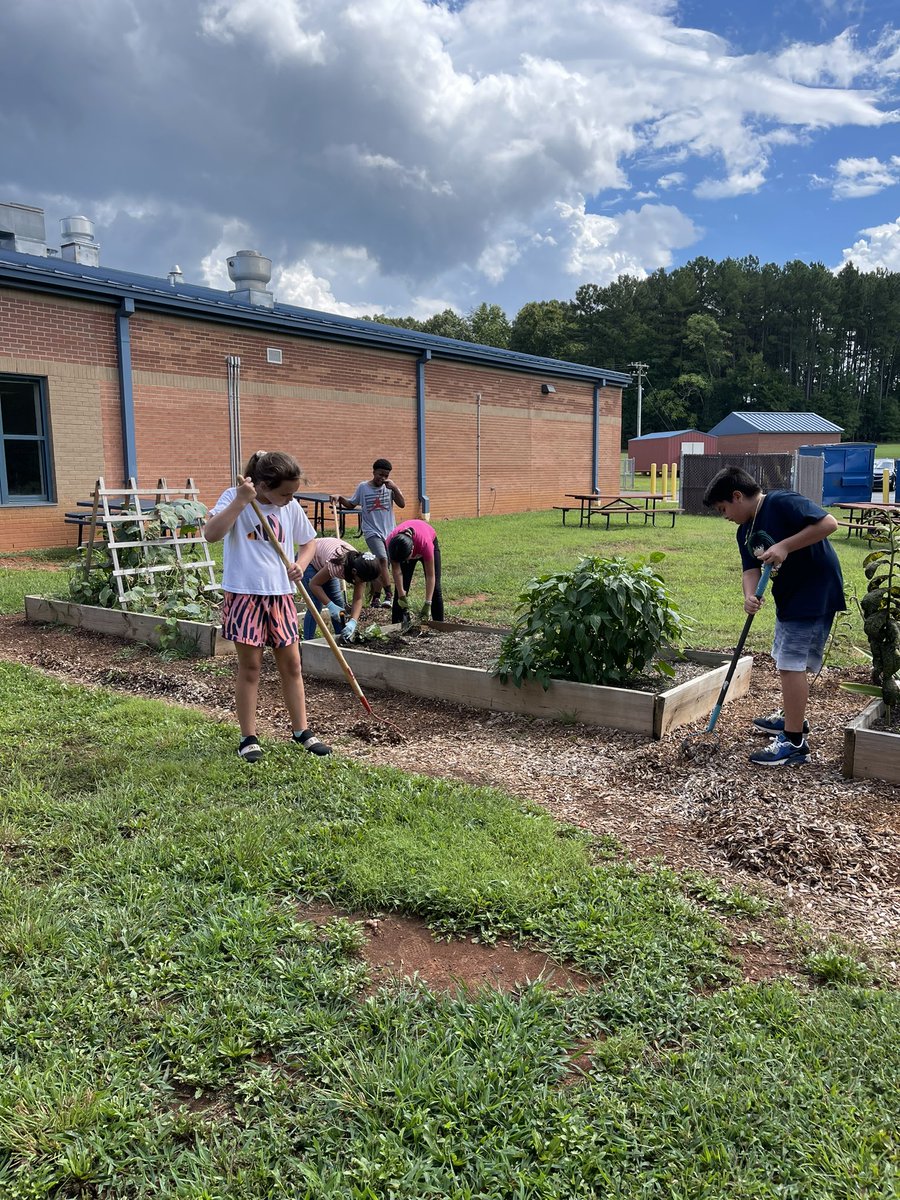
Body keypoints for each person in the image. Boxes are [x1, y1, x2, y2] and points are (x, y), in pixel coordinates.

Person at [703, 465, 846, 767]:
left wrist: (784, 546)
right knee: (784, 657)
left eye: (723, 508)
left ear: (737, 496)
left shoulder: (781, 502)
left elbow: (829, 523)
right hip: (790, 598)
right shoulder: (745, 531)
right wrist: (749, 595)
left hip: (814, 592)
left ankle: (794, 742)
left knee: (790, 664)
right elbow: (750, 569)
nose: (724, 515)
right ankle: (793, 719)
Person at [204, 450, 332, 762]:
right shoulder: (235, 497)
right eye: (285, 493)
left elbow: (309, 541)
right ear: (262, 485)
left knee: (292, 664)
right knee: (250, 667)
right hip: (244, 593)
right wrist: (240, 501)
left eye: (293, 493)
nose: (290, 499)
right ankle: (248, 738)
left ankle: (301, 731)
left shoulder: (288, 507)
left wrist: (301, 564)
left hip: (281, 594)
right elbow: (211, 534)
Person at [333, 459, 405, 608]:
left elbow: (402, 504)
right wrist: (339, 498)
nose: (383, 478)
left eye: (386, 475)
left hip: (389, 531)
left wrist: (395, 488)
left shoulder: (389, 488)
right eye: (380, 474)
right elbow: (351, 504)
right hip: (371, 531)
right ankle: (389, 594)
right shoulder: (363, 487)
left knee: (380, 566)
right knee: (382, 560)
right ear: (373, 472)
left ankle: (376, 598)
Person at [301, 538, 380, 643]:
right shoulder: (338, 566)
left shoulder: (362, 567)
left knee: (338, 602)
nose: (363, 583)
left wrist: (353, 621)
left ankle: (342, 638)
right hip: (309, 558)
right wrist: (330, 605)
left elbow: (358, 598)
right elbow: (314, 585)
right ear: (354, 572)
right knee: (316, 603)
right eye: (362, 580)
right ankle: (307, 642)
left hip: (326, 561)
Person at [386, 518, 444, 626]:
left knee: (436, 588)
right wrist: (402, 595)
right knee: (400, 591)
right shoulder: (392, 544)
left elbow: (430, 576)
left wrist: (428, 603)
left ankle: (439, 624)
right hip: (404, 547)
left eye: (406, 559)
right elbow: (396, 571)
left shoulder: (425, 544)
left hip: (427, 538)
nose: (406, 562)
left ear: (412, 549)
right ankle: (397, 625)